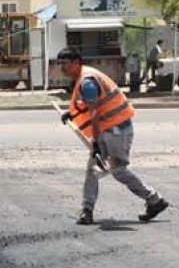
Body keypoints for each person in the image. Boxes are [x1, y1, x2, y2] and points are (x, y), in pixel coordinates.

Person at [58, 46, 169, 225]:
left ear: (76, 63)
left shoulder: (87, 81)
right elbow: (91, 105)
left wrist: (94, 142)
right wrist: (72, 114)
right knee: (93, 170)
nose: (61, 67)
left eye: (65, 63)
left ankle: (154, 200)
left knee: (118, 171)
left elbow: (94, 113)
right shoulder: (84, 77)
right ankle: (87, 210)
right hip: (108, 130)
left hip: (117, 131)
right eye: (60, 63)